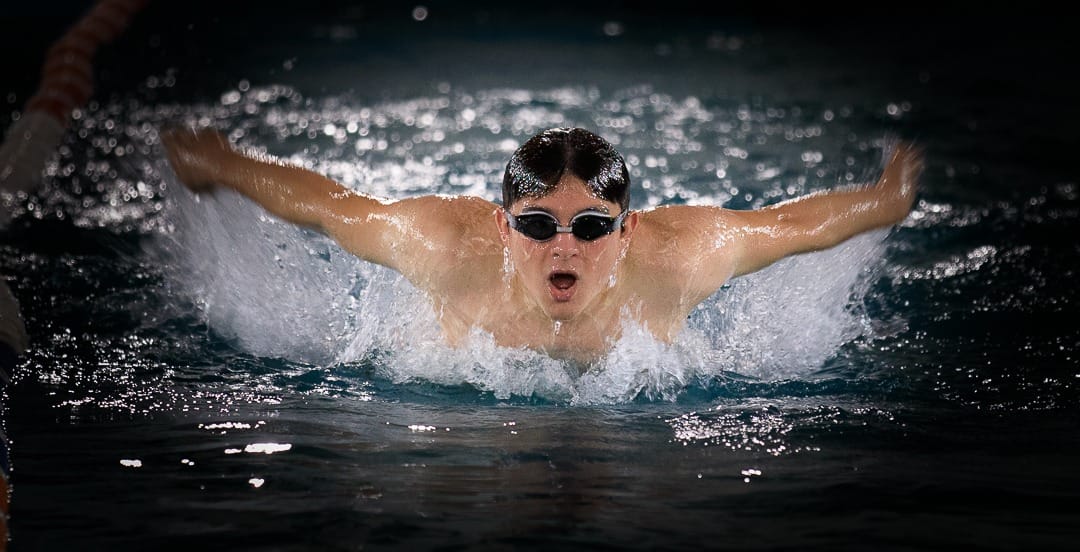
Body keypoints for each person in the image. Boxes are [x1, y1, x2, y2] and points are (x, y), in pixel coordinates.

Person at [162, 126, 922, 364]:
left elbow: (788, 228)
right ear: (503, 228)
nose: (565, 248)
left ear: (626, 232)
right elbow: (334, 209)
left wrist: (885, 201)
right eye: (536, 226)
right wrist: (222, 163)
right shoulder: (445, 247)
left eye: (590, 226)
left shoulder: (679, 257)